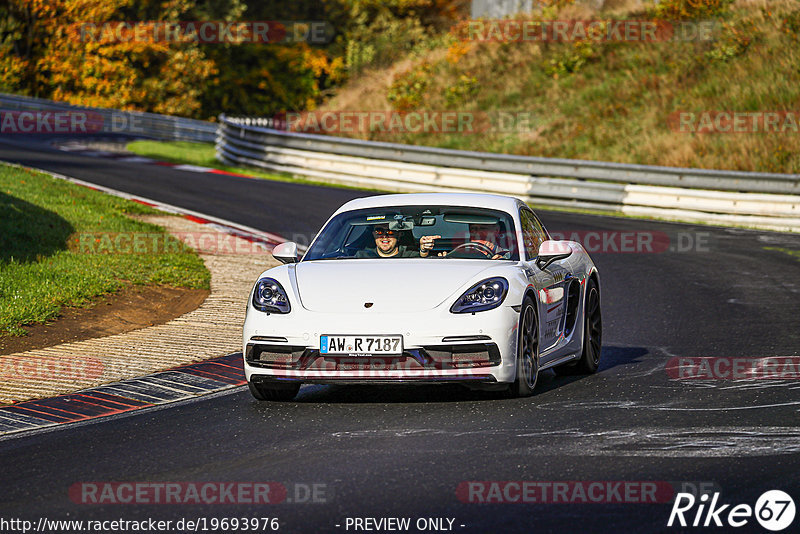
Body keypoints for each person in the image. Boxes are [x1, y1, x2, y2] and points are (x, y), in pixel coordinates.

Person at [420, 222, 510, 259]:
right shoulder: (458, 251)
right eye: (473, 228)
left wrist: (500, 263)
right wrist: (445, 260)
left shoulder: (507, 255)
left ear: (496, 230)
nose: (475, 232)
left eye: (482, 228)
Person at [356, 225, 420, 258]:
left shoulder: (411, 255)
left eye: (390, 231)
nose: (385, 236)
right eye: (379, 231)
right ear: (373, 234)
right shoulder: (361, 257)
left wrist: (424, 251)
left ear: (399, 235)